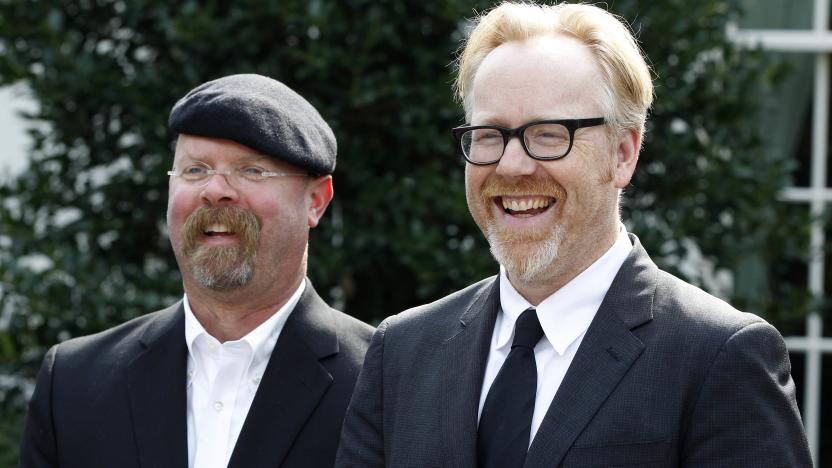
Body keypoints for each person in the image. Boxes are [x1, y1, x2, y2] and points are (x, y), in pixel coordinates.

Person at [336, 3, 812, 467]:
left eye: (548, 133)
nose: (512, 165)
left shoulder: (719, 357)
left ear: (623, 154)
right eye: (489, 135)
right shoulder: (401, 352)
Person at [20, 74, 374, 468]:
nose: (215, 190)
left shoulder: (381, 381)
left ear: (316, 201)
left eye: (251, 170)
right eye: (195, 170)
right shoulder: (74, 383)